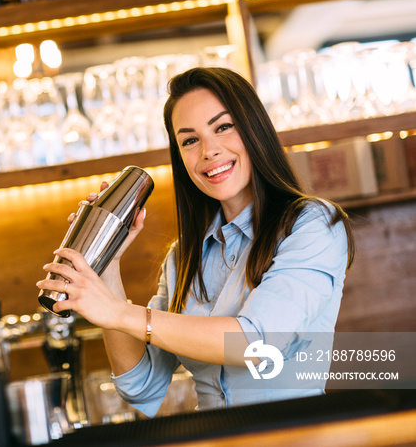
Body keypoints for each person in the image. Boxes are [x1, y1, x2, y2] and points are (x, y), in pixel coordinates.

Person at [36, 67, 355, 415]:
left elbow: (256, 343)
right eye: (190, 140)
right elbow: (141, 387)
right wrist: (108, 266)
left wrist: (117, 312)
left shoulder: (312, 225)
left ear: (253, 129)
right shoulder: (185, 257)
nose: (208, 151)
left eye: (222, 127)